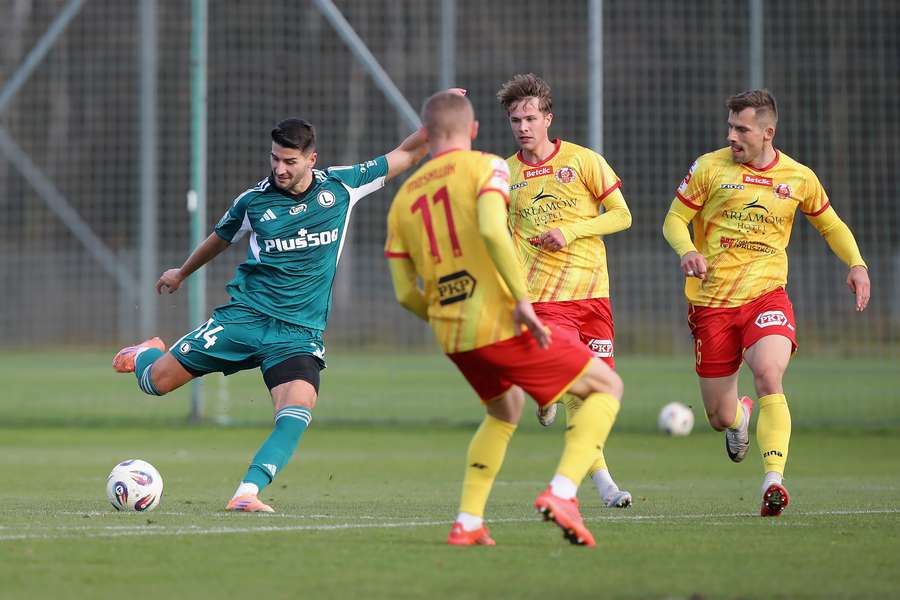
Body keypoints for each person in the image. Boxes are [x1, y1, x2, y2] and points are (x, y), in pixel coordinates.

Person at [112, 109, 438, 513]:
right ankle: (144, 354)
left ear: (311, 159)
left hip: (298, 334)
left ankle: (246, 493)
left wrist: (439, 124)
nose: (279, 169)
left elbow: (406, 153)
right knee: (155, 383)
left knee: (296, 410)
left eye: (289, 161)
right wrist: (181, 273)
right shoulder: (254, 201)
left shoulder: (341, 186)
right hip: (244, 319)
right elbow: (220, 238)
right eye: (274, 159)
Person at [385, 90, 624, 547]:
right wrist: (521, 300)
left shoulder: (404, 198)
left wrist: (443, 316)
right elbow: (494, 232)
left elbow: (403, 293)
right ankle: (563, 493)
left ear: (426, 136)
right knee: (607, 387)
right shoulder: (489, 167)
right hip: (497, 321)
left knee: (504, 410)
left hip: (453, 336)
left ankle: (468, 521)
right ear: (474, 130)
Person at [662, 89, 870, 516]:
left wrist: (857, 264)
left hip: (766, 296)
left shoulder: (798, 177)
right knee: (719, 417)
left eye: (742, 129)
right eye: (730, 127)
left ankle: (773, 481)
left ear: (767, 132)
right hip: (712, 305)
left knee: (768, 374)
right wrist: (688, 250)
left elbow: (831, 225)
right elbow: (674, 220)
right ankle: (739, 418)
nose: (732, 136)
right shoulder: (709, 167)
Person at [496, 73, 634, 508]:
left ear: (548, 119)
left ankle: (544, 393)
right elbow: (497, 235)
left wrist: (570, 232)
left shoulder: (583, 160)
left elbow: (622, 216)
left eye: (530, 118)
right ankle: (604, 484)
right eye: (515, 120)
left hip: (593, 296)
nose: (523, 127)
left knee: (599, 391)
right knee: (579, 387)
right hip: (543, 300)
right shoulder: (505, 174)